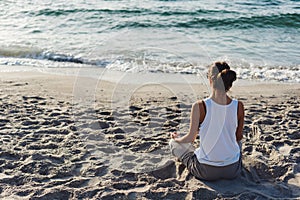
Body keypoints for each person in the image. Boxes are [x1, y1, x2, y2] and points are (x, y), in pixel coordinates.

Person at [169, 61, 244, 181]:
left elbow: (191, 138)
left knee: (173, 144)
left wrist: (177, 139)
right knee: (237, 145)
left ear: (210, 80)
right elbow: (238, 137)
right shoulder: (238, 106)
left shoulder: (200, 106)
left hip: (206, 171)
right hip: (232, 170)